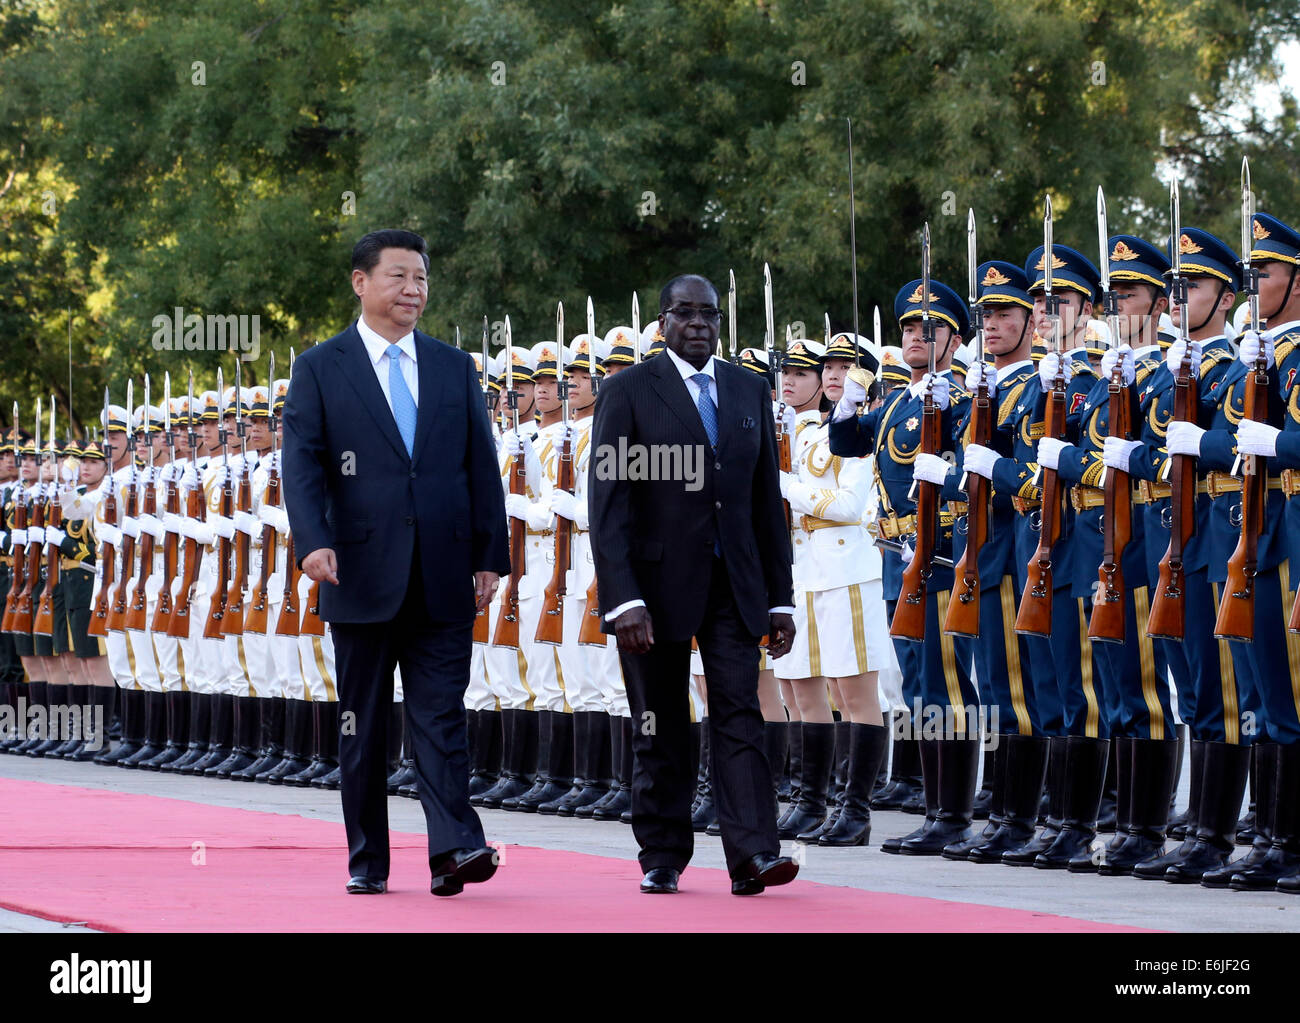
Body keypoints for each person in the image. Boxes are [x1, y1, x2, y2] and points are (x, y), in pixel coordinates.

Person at [282, 228, 509, 896]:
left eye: (422, 279)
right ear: (361, 281)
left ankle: (454, 849)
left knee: (441, 714)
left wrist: (489, 554)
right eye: (399, 277)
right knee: (364, 723)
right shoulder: (321, 368)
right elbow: (302, 464)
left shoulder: (452, 366)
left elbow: (480, 467)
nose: (414, 291)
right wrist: (312, 540)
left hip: (443, 572)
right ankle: (367, 857)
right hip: (358, 572)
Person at [589, 272, 799, 895]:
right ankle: (662, 852)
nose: (700, 324)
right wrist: (622, 597)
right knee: (660, 721)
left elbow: (767, 503)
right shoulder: (626, 391)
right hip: (652, 591)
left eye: (709, 314)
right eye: (685, 313)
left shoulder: (747, 389)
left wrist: (779, 598)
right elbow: (609, 503)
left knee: (740, 715)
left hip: (735, 586)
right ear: (663, 323)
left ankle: (755, 855)